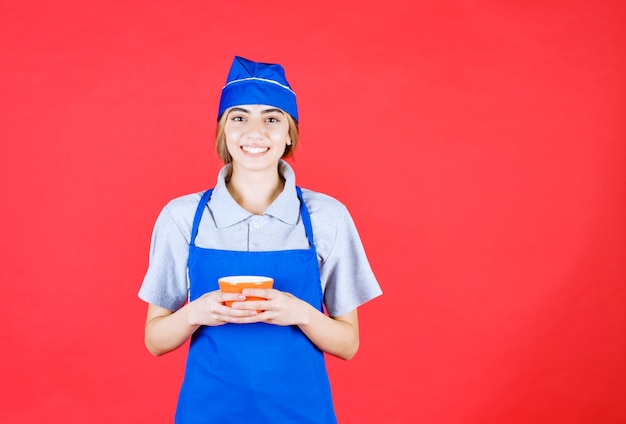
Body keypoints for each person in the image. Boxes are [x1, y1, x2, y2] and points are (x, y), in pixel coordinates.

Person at [138, 56, 382, 423]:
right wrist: (197, 312)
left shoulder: (327, 217)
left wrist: (298, 312)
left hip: (301, 412)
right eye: (239, 118)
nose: (255, 132)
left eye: (271, 118)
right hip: (208, 411)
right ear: (223, 131)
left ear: (289, 134)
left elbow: (348, 344)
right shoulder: (183, 217)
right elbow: (155, 340)